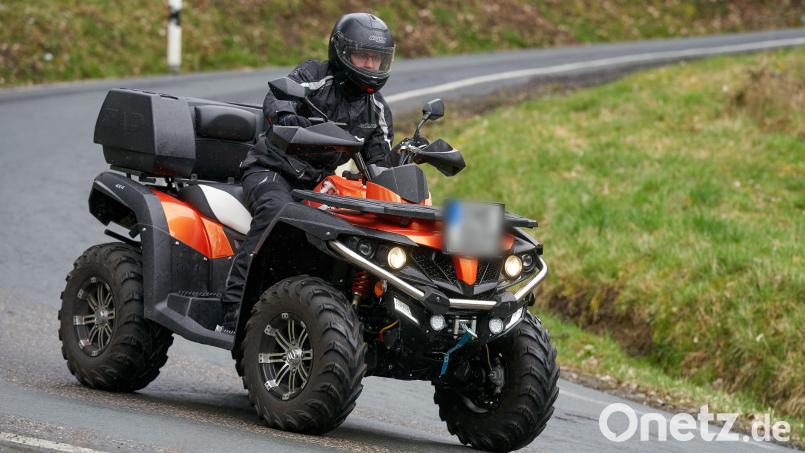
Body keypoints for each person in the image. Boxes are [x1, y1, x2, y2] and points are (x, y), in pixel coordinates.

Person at [217, 12, 397, 332]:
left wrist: (400, 166)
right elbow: (278, 97)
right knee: (276, 214)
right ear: (340, 51)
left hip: (320, 184)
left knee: (357, 231)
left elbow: (380, 165)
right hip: (272, 170)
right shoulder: (314, 74)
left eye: (377, 59)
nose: (370, 66)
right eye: (362, 56)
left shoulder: (378, 109)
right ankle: (233, 308)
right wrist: (286, 116)